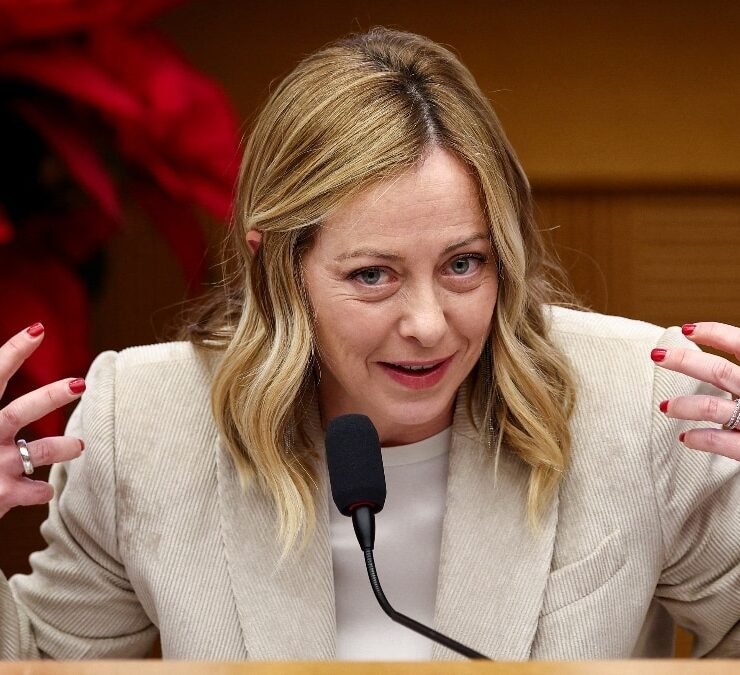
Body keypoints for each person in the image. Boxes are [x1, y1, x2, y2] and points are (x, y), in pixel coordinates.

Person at [1, 28, 739, 661]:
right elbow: (39, 665)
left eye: (463, 264)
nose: (428, 324)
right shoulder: (147, 420)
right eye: (373, 275)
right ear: (278, 268)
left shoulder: (640, 402)